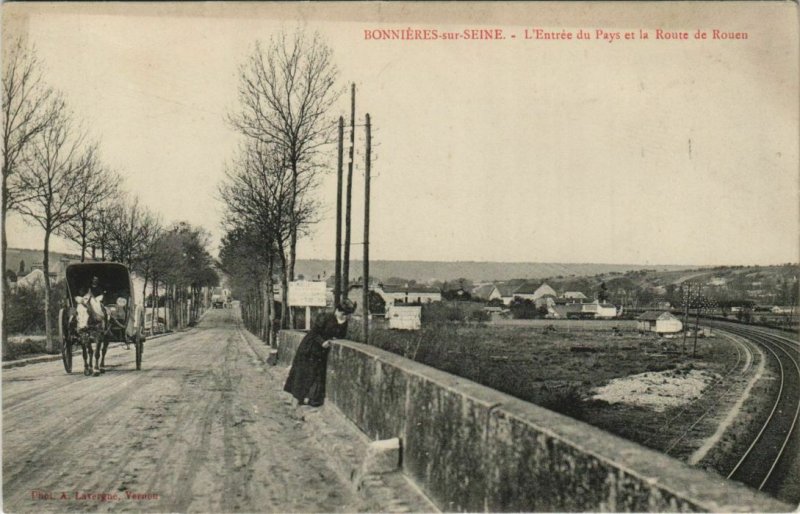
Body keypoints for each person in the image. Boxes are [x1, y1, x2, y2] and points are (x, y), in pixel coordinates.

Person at [283, 299, 356, 408]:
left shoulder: (343, 321)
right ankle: (295, 401)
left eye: (346, 314)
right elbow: (314, 333)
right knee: (302, 373)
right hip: (310, 348)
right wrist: (322, 342)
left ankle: (307, 400)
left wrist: (342, 324)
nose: (344, 316)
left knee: (315, 375)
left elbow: (341, 336)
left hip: (320, 352)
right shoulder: (325, 317)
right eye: (343, 313)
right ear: (337, 310)